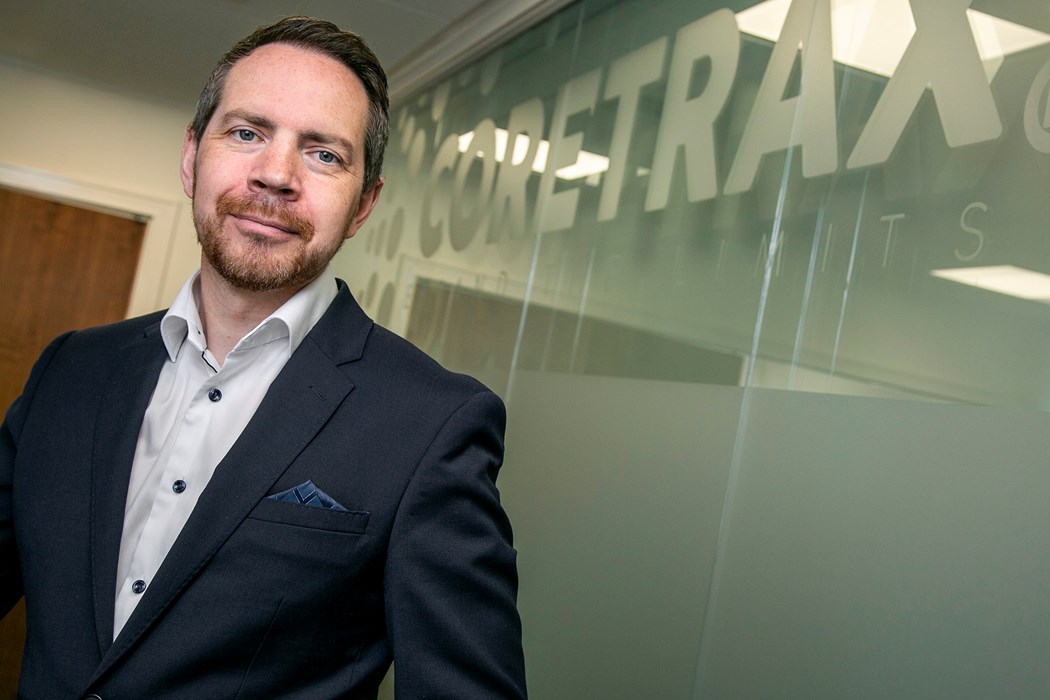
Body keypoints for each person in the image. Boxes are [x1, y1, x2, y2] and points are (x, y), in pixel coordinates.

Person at [0, 16, 527, 699]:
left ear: (364, 204)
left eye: (324, 154)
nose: (276, 175)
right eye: (247, 133)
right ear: (192, 157)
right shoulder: (71, 370)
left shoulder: (432, 424)